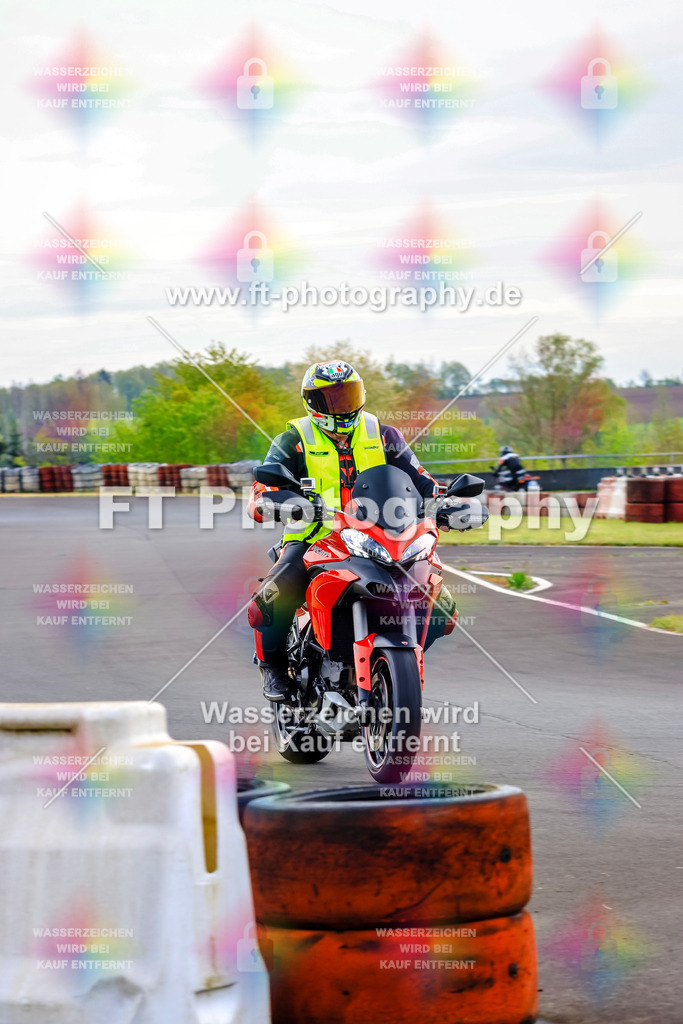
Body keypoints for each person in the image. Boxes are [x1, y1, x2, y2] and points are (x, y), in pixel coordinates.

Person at [247, 360, 456, 701]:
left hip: (381, 537)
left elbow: (422, 480)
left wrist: (446, 501)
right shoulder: (294, 439)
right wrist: (280, 502)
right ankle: (273, 667)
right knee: (275, 592)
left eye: (347, 395)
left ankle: (389, 665)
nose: (341, 406)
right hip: (315, 538)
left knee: (441, 603)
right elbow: (261, 491)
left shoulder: (385, 435)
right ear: (312, 403)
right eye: (331, 398)